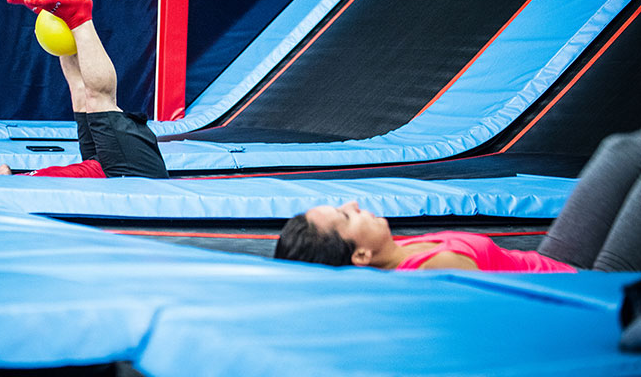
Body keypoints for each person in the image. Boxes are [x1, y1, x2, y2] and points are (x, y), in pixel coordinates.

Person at [274, 129, 641, 272]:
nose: (354, 204)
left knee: (619, 149)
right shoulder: (436, 271)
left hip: (551, 261)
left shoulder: (388, 251)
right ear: (360, 256)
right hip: (591, 288)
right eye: (345, 215)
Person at [0, 0, 168, 179]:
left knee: (80, 95)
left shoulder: (19, 188)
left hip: (107, 168)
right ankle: (79, 18)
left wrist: (7, 178)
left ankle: (68, 18)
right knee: (97, 100)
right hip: (131, 172)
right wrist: (2, 182)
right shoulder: (16, 192)